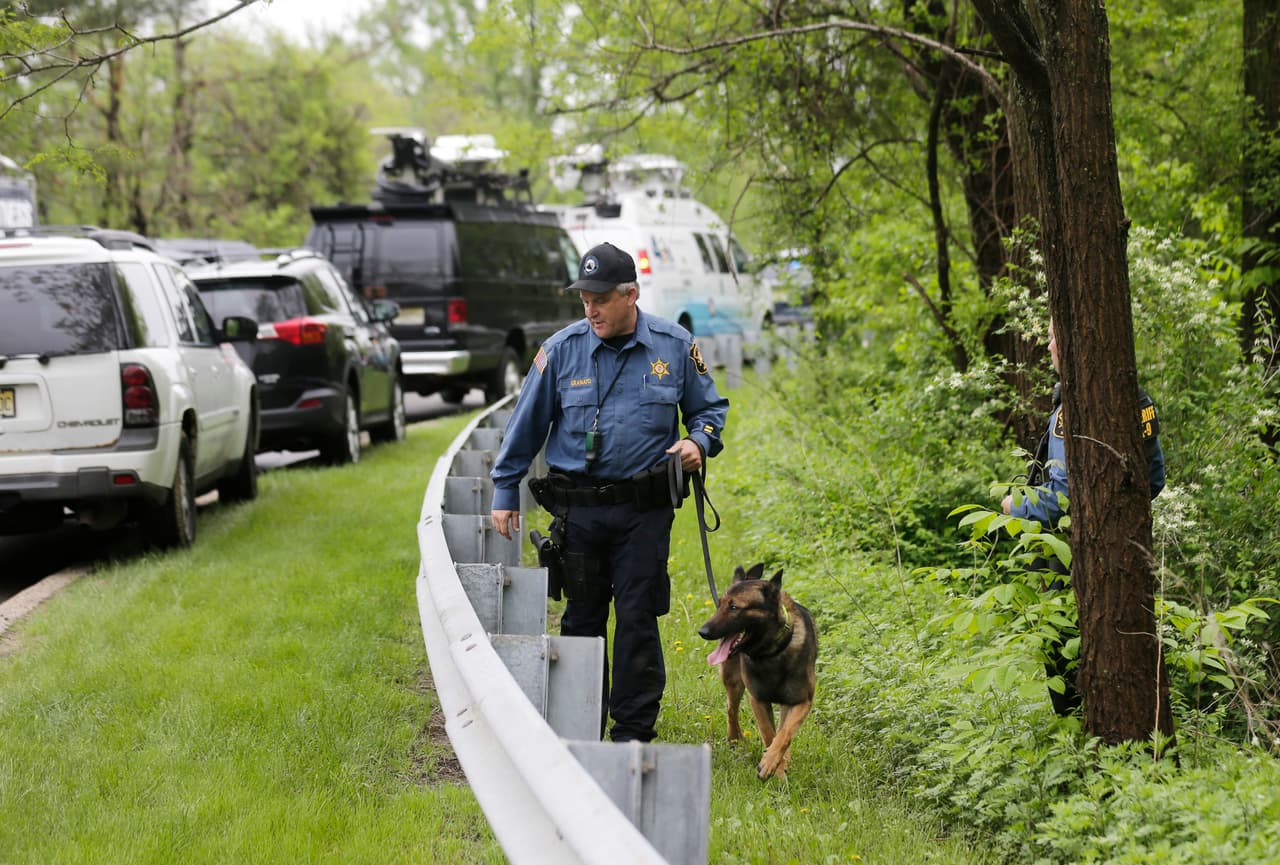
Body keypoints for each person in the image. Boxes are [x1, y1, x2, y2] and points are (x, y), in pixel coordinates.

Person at [490, 241, 730, 742]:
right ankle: (579, 729)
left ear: (631, 294)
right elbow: (525, 426)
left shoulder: (674, 345)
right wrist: (504, 489)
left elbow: (709, 410)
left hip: (645, 511)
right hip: (578, 512)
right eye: (584, 299)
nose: (591, 308)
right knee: (582, 620)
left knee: (639, 616)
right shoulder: (560, 351)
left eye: (601, 298)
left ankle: (632, 734)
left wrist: (698, 443)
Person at [1002, 319, 1166, 715]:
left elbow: (1063, 495)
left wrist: (1014, 505)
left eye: (1056, 338)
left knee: (1065, 667)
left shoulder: (1070, 411)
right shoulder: (1139, 400)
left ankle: (1075, 750)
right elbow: (1154, 479)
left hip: (1067, 561)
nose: (1050, 348)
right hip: (1125, 559)